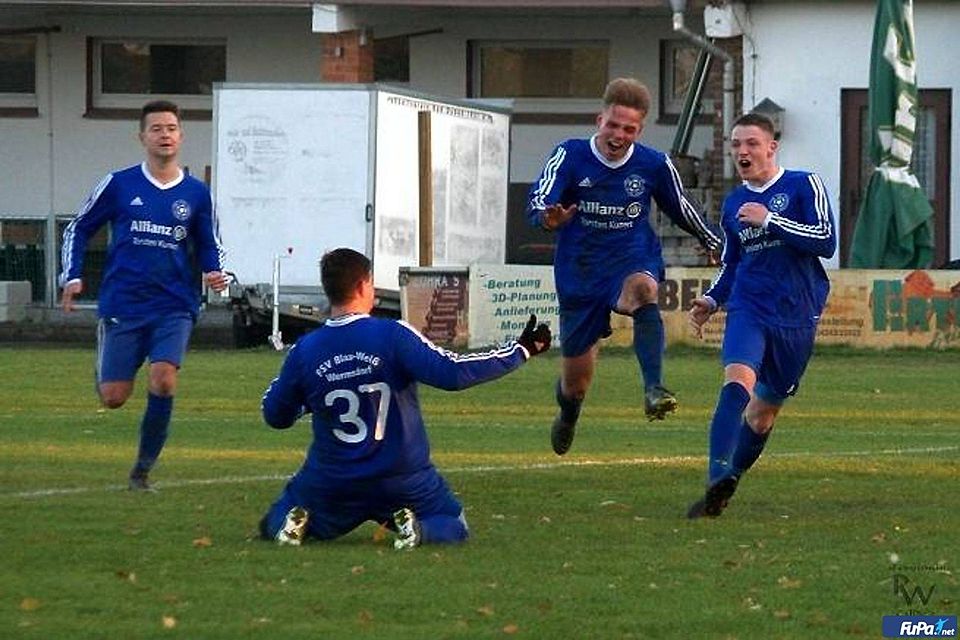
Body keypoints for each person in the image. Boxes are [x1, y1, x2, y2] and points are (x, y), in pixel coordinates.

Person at [258, 248, 551, 549]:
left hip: (333, 479)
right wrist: (520, 351)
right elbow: (451, 372)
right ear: (362, 286)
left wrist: (312, 398)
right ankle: (417, 529)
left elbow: (275, 415)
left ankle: (292, 523)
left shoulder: (305, 350)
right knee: (452, 524)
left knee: (274, 517)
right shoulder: (393, 335)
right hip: (402, 477)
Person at [526, 77, 722, 456]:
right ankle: (568, 414)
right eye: (613, 125)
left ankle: (654, 388)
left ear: (640, 129)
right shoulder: (569, 155)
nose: (619, 135)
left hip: (630, 257)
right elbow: (541, 196)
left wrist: (713, 240)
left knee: (645, 291)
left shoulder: (653, 164)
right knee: (576, 385)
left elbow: (682, 209)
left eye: (628, 129)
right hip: (580, 271)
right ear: (599, 120)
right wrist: (546, 217)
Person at [59, 100, 228, 491]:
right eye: (156, 128)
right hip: (124, 303)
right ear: (142, 137)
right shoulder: (118, 184)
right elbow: (78, 228)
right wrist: (72, 276)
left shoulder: (197, 194)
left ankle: (142, 470)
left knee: (164, 379)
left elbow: (209, 243)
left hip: (175, 305)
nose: (164, 134)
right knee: (113, 397)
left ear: (181, 136)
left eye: (171, 128)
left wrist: (217, 272)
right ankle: (105, 366)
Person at [686, 112, 836, 518]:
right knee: (736, 384)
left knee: (763, 414)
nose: (742, 151)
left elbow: (826, 241)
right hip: (749, 307)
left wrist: (771, 219)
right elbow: (732, 264)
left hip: (797, 314)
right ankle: (715, 477)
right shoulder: (734, 203)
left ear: (772, 147)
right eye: (736, 144)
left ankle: (730, 478)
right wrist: (712, 300)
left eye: (751, 143)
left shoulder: (804, 184)